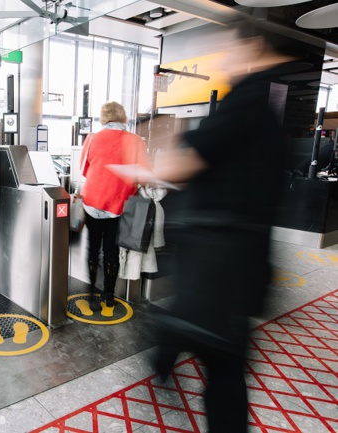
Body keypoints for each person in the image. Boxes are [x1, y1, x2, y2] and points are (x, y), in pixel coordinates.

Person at [149, 16, 296, 433]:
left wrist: (156, 147)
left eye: (230, 48)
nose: (224, 58)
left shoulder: (241, 104)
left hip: (216, 263)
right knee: (218, 353)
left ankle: (163, 358)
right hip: (241, 262)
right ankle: (163, 357)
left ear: (253, 49)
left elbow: (180, 166)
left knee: (222, 365)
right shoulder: (269, 116)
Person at [80, 101, 150, 308]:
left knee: (93, 248)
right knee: (111, 250)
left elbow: (84, 170)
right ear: (123, 116)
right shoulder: (136, 141)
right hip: (118, 204)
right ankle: (108, 296)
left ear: (104, 117)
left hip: (92, 201)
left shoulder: (91, 138)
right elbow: (144, 174)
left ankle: (92, 295)